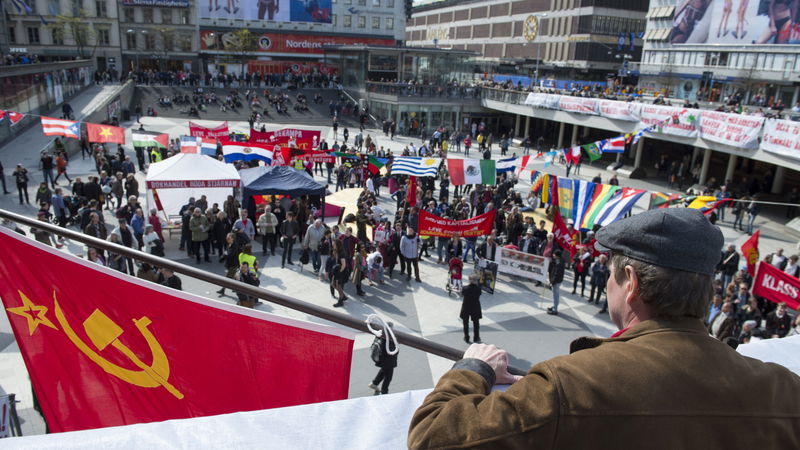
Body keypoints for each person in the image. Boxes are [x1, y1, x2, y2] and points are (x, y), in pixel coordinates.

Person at [408, 208, 800, 448]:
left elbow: (432, 437)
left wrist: (472, 370)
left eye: (611, 274)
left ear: (631, 282)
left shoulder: (570, 384)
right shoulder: (784, 390)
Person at [368, 322, 398, 395]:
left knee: (384, 370)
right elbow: (394, 351)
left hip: (382, 360)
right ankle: (384, 391)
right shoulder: (389, 339)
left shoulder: (380, 334)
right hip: (388, 361)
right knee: (388, 378)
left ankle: (374, 383)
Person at [460, 273, 483, 344]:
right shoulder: (478, 289)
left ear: (469, 280)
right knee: (476, 323)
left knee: (465, 323)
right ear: (476, 281)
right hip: (475, 307)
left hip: (466, 307)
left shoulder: (465, 288)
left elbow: (462, 294)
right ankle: (476, 337)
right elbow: (479, 294)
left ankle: (466, 337)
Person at [546, 249, 565, 315]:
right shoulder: (560, 260)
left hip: (556, 281)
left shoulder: (559, 264)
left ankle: (555, 309)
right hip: (558, 280)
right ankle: (554, 306)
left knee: (555, 295)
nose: (553, 255)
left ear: (557, 256)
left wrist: (551, 282)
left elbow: (556, 275)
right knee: (555, 295)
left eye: (554, 254)